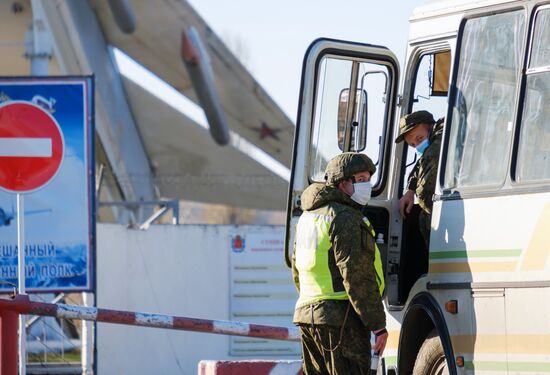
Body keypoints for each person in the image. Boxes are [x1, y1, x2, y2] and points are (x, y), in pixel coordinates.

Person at [292, 152, 388, 375]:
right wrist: (377, 324)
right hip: (341, 320)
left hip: (307, 316)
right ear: (343, 183)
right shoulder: (344, 217)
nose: (367, 186)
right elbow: (356, 276)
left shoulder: (308, 217)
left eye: (368, 179)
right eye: (361, 180)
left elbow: (297, 270)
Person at [395, 110, 444, 246]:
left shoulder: (441, 140)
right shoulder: (432, 145)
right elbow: (420, 165)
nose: (417, 146)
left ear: (431, 128)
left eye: (419, 139)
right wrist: (410, 190)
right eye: (412, 145)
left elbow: (424, 193)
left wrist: (420, 196)